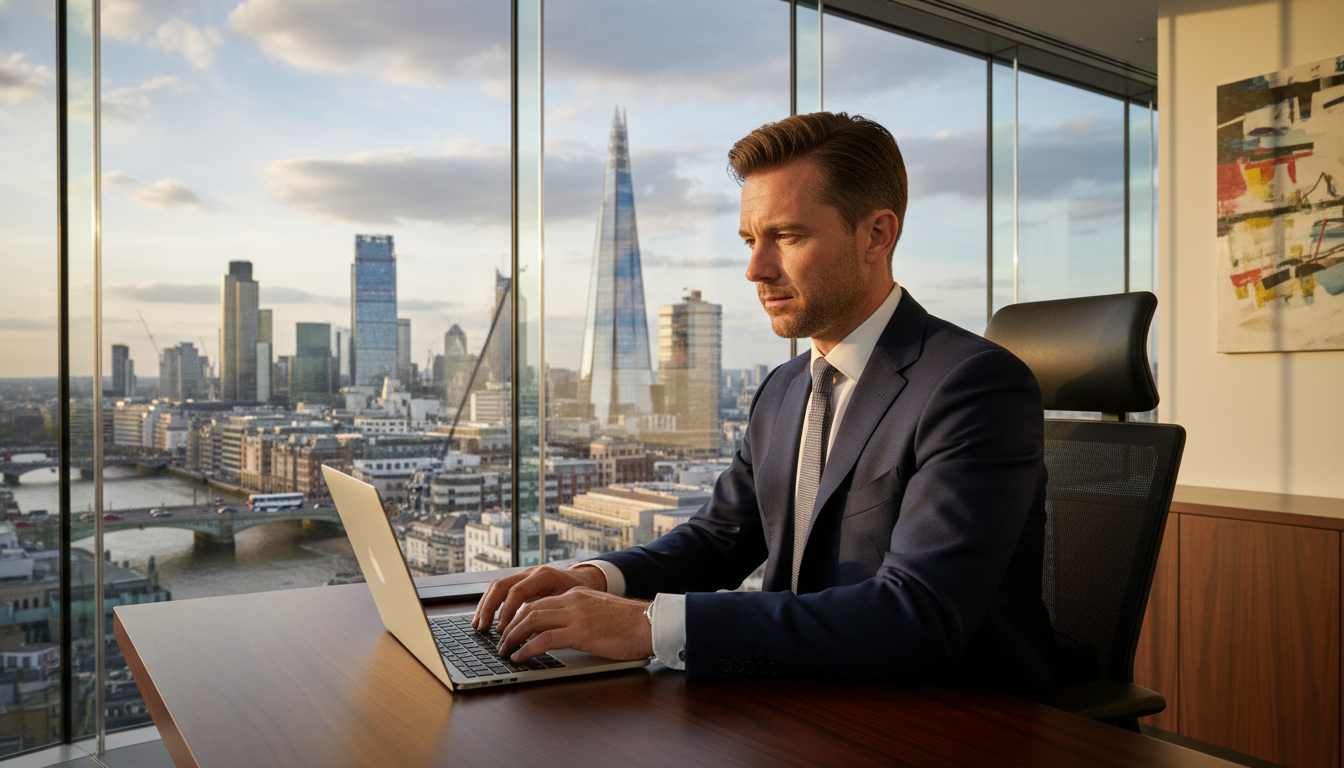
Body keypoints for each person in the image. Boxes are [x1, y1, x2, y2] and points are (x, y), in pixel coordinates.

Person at [474, 112, 1060, 694]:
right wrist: (598, 577)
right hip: (798, 695)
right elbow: (722, 537)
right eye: (751, 240)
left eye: (788, 236)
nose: (756, 269)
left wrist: (651, 626)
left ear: (877, 235)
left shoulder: (973, 386)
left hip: (949, 718)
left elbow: (918, 617)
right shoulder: (784, 387)